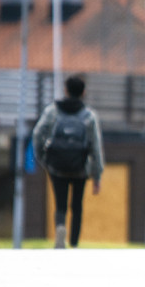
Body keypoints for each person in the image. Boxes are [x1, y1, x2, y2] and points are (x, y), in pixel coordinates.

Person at [33, 74, 104, 248]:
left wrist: (44, 159)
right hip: (80, 166)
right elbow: (95, 146)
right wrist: (97, 175)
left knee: (60, 204)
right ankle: (74, 241)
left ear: (65, 90)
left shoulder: (53, 111)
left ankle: (60, 228)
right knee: (77, 204)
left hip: (56, 166)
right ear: (83, 92)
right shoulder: (89, 116)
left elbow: (37, 134)